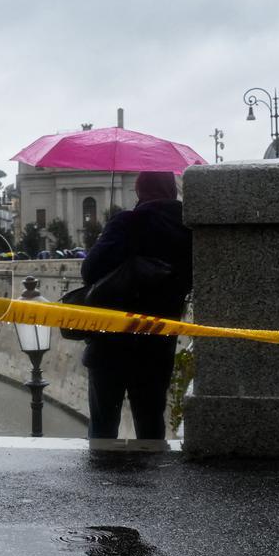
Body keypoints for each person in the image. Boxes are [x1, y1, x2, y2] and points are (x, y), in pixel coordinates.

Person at [81, 171, 192, 439]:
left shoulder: (128, 222)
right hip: (158, 341)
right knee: (151, 419)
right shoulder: (187, 229)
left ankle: (100, 479)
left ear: (140, 192)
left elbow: (90, 270)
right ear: (172, 192)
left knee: (103, 423)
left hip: (112, 339)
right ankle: (151, 478)